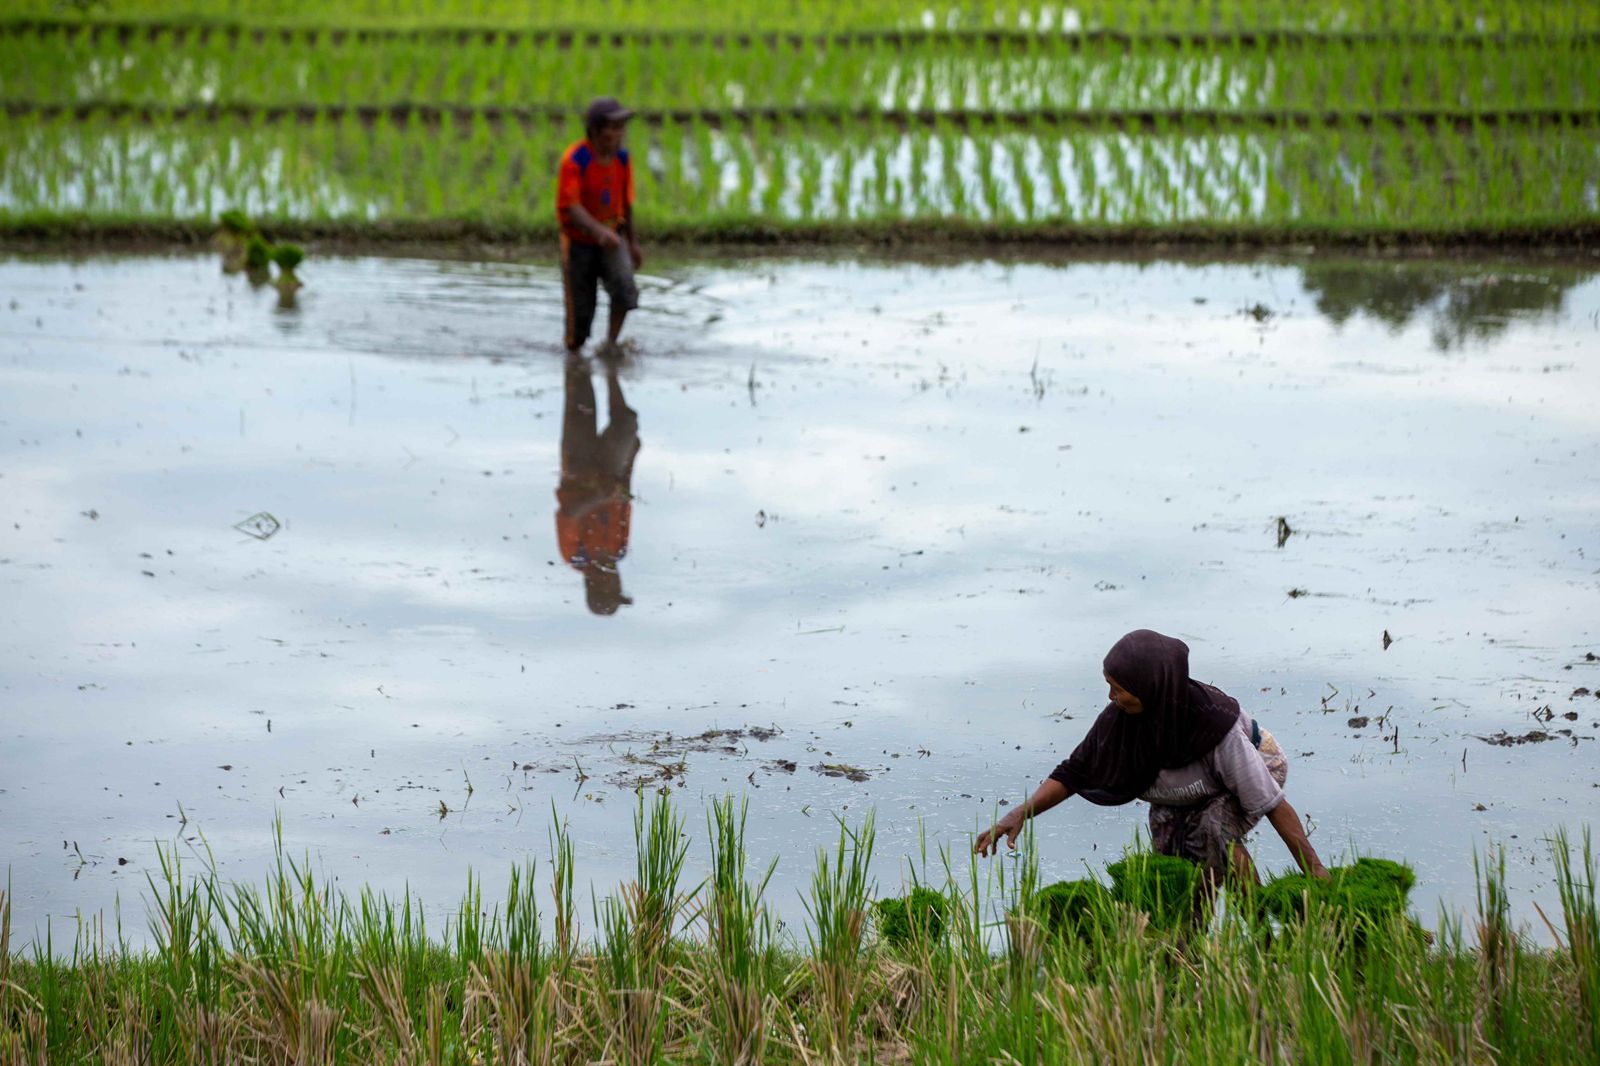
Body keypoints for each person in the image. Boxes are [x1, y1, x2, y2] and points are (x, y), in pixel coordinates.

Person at [975, 629, 1330, 892]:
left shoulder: (1213, 728)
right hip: (1182, 793)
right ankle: (1185, 946)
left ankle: (1259, 925)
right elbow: (1074, 773)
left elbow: (1271, 804)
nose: (1111, 696)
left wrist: (1314, 871)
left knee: (1212, 832)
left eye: (1119, 688)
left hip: (1255, 767)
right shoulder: (1118, 724)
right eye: (1109, 685)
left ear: (1152, 687)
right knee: (1173, 863)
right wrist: (1020, 812)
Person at [557, 96, 643, 354]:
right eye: (612, 127)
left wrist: (632, 242)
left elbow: (626, 202)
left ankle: (610, 345)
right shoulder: (576, 160)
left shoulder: (622, 159)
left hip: (613, 238)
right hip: (579, 242)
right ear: (595, 130)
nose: (618, 134)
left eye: (621, 128)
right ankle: (574, 357)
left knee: (625, 291)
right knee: (580, 319)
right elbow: (571, 207)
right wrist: (598, 231)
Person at [555, 352, 640, 615]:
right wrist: (632, 458)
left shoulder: (575, 555)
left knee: (580, 400)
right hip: (611, 471)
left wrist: (600, 497)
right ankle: (612, 374)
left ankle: (577, 359)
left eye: (613, 586)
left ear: (598, 583)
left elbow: (569, 512)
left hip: (578, 470)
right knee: (627, 425)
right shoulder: (619, 550)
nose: (617, 581)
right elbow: (623, 499)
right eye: (618, 586)